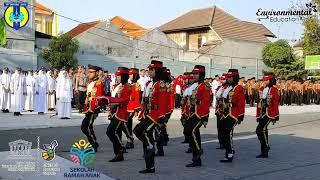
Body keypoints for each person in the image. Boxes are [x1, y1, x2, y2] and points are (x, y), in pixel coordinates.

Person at [133, 60, 163, 174]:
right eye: (149, 69)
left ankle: (151, 147)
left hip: (155, 115)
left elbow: (164, 103)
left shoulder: (160, 84)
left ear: (157, 71)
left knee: (140, 131)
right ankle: (150, 166)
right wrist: (140, 110)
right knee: (145, 135)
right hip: (148, 113)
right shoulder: (149, 83)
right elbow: (145, 99)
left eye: (152, 70)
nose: (149, 71)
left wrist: (162, 119)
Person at [185, 65, 212, 167]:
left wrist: (206, 118)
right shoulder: (196, 85)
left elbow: (206, 102)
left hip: (201, 114)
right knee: (191, 131)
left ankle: (197, 151)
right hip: (193, 112)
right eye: (194, 74)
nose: (194, 75)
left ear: (201, 74)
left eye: (197, 74)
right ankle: (196, 157)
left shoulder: (205, 85)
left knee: (191, 130)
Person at [220, 69, 245, 163]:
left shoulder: (239, 88)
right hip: (225, 114)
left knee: (228, 134)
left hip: (234, 114)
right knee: (225, 134)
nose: (228, 78)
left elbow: (241, 103)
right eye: (228, 77)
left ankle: (229, 153)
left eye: (230, 77)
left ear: (234, 77)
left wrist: (241, 116)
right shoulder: (227, 88)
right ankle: (230, 150)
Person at [106, 67, 131, 162]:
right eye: (117, 76)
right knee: (115, 132)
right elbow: (115, 97)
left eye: (119, 76)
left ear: (124, 76)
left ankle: (120, 150)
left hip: (122, 113)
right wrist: (110, 109)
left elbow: (124, 100)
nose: (118, 78)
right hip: (116, 112)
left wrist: (114, 102)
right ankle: (119, 152)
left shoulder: (128, 87)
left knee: (111, 131)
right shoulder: (119, 86)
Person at [81, 65, 104, 152]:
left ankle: (93, 144)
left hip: (93, 109)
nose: (89, 74)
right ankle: (93, 143)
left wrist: (94, 109)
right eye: (89, 72)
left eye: (91, 72)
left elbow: (99, 97)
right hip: (88, 108)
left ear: (97, 73)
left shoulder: (99, 83)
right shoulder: (90, 83)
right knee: (87, 126)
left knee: (85, 126)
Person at [256, 74, 279, 158]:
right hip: (262, 112)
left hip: (270, 113)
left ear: (271, 80)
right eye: (264, 80)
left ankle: (265, 147)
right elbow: (259, 102)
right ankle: (264, 150)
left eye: (266, 80)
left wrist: (276, 115)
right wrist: (258, 115)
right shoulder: (262, 89)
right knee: (263, 130)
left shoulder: (274, 89)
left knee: (260, 129)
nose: (265, 82)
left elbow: (275, 103)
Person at [125, 68, 141, 149]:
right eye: (129, 74)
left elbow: (137, 98)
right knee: (126, 125)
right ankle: (129, 140)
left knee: (127, 124)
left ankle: (130, 140)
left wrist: (136, 110)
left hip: (132, 108)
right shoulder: (130, 85)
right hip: (127, 107)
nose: (130, 76)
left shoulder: (137, 85)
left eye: (131, 75)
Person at [215, 74, 227, 149]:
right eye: (221, 79)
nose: (222, 81)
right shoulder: (219, 87)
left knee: (225, 128)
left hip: (225, 111)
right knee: (219, 128)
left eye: (223, 79)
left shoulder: (228, 88)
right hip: (218, 111)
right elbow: (216, 96)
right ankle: (221, 143)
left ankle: (226, 143)